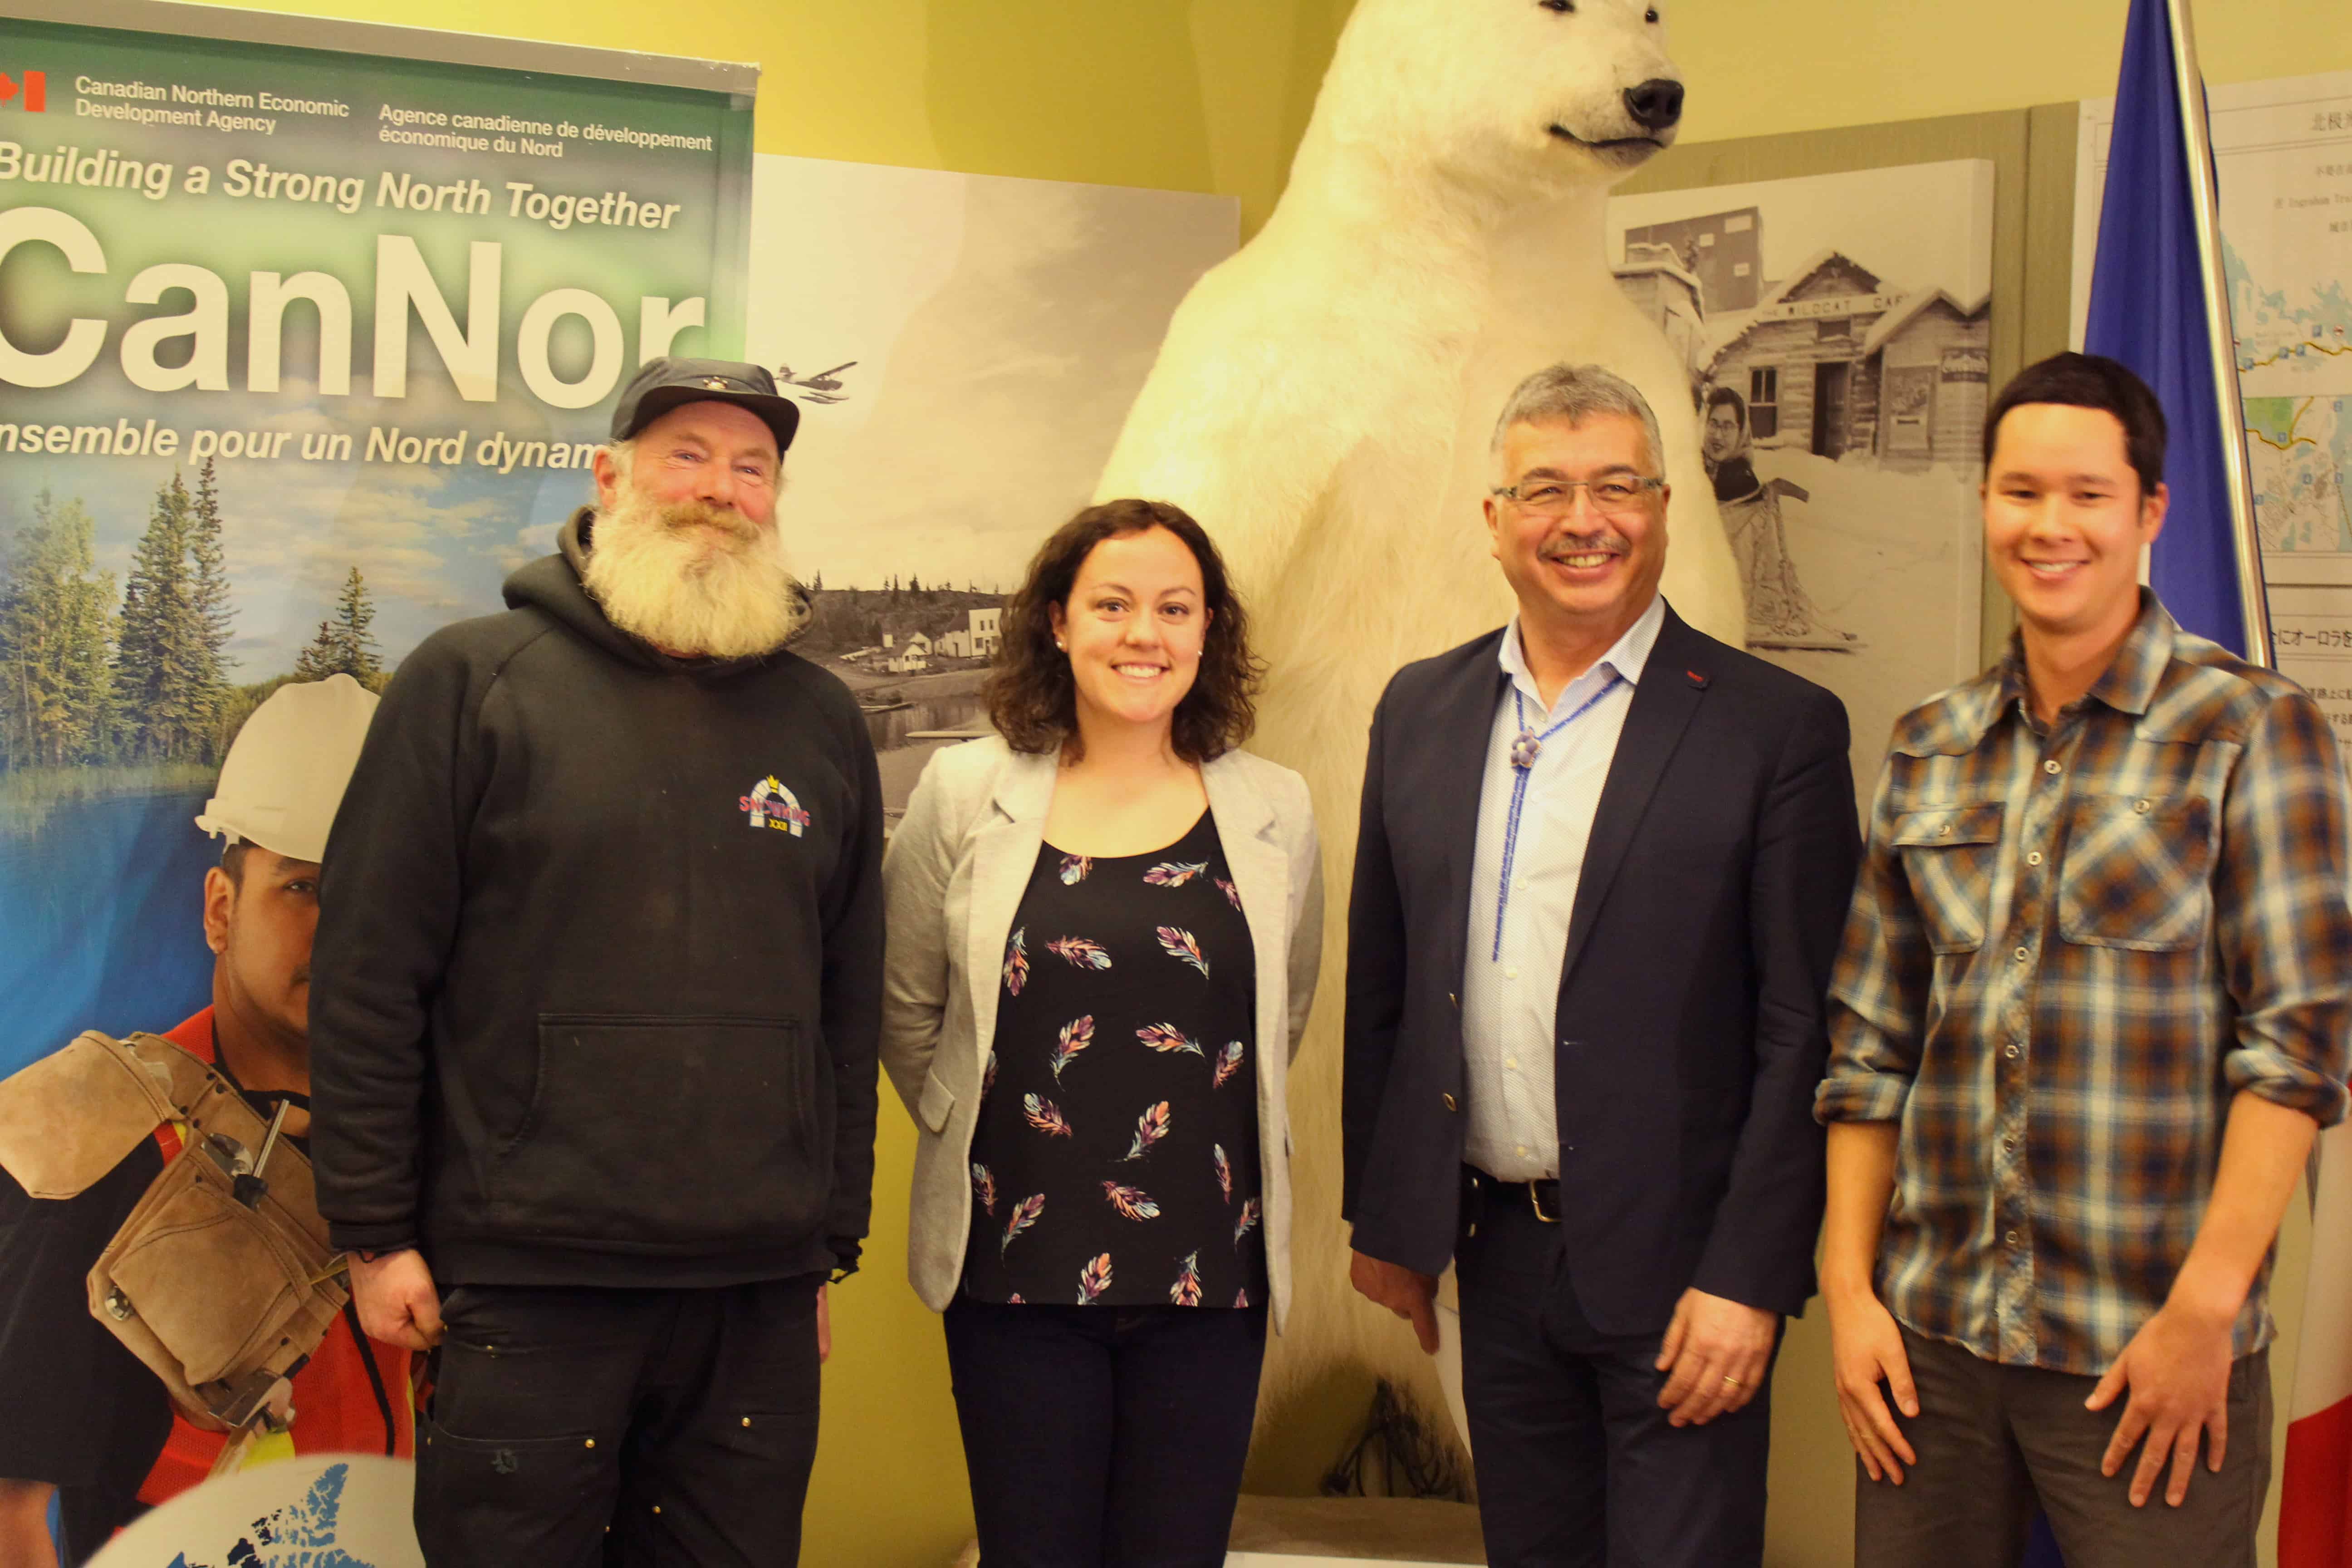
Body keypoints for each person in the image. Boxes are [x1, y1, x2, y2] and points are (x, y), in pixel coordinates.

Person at [309, 358, 885, 1568]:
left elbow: (845, 998)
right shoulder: (469, 686)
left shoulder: (823, 721)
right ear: (610, 474)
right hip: (526, 1285)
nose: (720, 490)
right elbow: (368, 977)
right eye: (687, 454)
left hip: (755, 1295)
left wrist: (823, 1242)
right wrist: (373, 1234)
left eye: (752, 466)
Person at [1817, 351, 2352, 1568]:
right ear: (1989, 504)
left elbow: (2300, 1051)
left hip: (2149, 1350)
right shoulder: (1932, 747)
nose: (2050, 526)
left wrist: (2205, 1314)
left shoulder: (2252, 731)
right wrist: (1852, 1299)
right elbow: (1868, 1052)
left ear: (2150, 512)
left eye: (2087, 495)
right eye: (2020, 493)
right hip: (1930, 1355)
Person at [1344, 362, 1858, 1567]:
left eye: (1619, 484)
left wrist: (1751, 1279)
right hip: (1497, 1260)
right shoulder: (1421, 709)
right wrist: (1392, 1216)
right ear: (1495, 521)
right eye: (1548, 489)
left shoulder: (1773, 729)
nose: (1586, 520)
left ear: (1667, 506)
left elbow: (1807, 1032)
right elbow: (1389, 989)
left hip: (1689, 1278)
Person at [880, 498, 1322, 1567]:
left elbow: (1280, 1014)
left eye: (1174, 607)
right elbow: (905, 1007)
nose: (1144, 633)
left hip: (1207, 1278)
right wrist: (961, 1125)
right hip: (1017, 1274)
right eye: (1112, 604)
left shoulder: (1275, 811)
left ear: (1207, 630)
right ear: (1057, 622)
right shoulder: (961, 791)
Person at [0, 674, 410, 1568]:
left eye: (375, 898)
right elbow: (8, 1512)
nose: (341, 931)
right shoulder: (97, 1134)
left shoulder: (433, 1139)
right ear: (221, 910)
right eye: (301, 890)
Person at [1702, 384, 1841, 644]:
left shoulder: (1742, 484)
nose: (1718, 435)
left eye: (1728, 426)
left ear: (1741, 431)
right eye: (1714, 423)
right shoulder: (1690, 470)